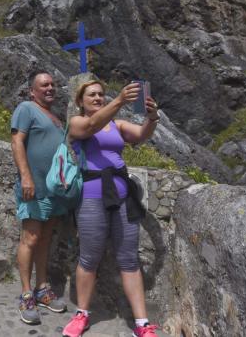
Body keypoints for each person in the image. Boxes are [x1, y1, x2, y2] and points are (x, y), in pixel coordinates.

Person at [61, 80, 160, 337]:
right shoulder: (77, 123)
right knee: (89, 257)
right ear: (80, 101)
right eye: (91, 94)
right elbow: (91, 126)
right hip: (92, 197)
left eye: (101, 94)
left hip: (122, 196)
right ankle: (82, 314)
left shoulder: (115, 124)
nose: (97, 97)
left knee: (129, 259)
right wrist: (120, 101)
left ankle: (142, 324)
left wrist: (152, 118)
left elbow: (140, 135)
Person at [11, 70, 68, 325]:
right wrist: (26, 176)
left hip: (53, 190)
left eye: (53, 84)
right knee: (31, 238)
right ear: (32, 91)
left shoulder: (56, 118)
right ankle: (26, 294)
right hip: (32, 187)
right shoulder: (26, 108)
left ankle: (42, 288)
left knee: (45, 239)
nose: (50, 88)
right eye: (44, 85)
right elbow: (17, 141)